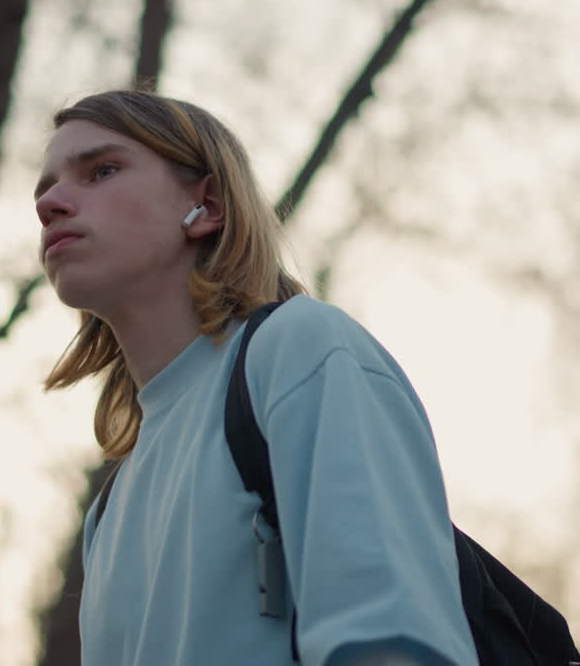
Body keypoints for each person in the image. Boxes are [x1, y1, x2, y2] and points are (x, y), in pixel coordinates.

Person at [35, 89, 478, 666]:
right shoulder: (108, 509)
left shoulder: (301, 349)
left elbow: (391, 644)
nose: (51, 204)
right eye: (45, 190)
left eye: (102, 171)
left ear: (207, 205)